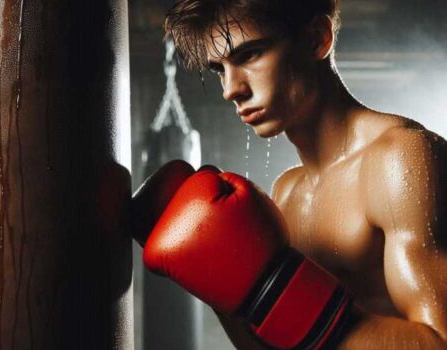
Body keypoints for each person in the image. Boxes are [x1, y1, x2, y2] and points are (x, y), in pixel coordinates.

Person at [140, 1, 447, 349]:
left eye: (249, 55)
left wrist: (280, 296)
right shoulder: (288, 192)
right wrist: (223, 286)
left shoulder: (401, 159)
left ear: (317, 39)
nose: (231, 89)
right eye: (219, 70)